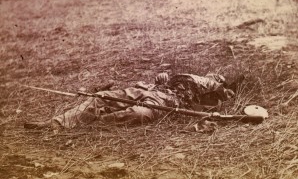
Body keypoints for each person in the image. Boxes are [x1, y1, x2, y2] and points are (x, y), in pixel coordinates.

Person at [24, 72, 241, 130]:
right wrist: (160, 79)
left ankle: (92, 124)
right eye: (214, 76)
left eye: (217, 78)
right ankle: (56, 123)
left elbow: (223, 95)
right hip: (149, 91)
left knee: (137, 115)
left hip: (165, 105)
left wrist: (224, 89)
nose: (214, 78)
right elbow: (163, 81)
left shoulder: (212, 97)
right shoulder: (189, 78)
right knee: (104, 97)